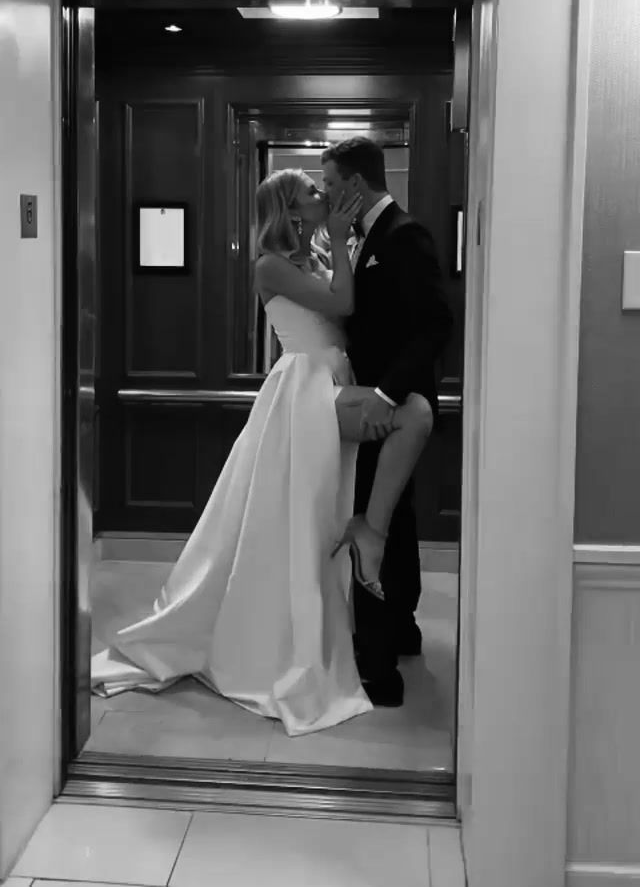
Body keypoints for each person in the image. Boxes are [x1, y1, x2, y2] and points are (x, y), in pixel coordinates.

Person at [91, 167, 433, 735]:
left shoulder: (313, 255)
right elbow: (343, 306)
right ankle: (365, 535)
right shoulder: (270, 264)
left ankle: (366, 533)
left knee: (317, 504)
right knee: (409, 418)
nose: (324, 197)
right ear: (289, 209)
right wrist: (345, 243)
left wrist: (341, 243)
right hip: (303, 390)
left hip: (329, 379)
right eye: (312, 194)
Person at [322, 138, 453, 708]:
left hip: (391, 408)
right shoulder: (360, 239)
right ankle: (400, 632)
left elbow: (433, 326)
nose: (327, 194)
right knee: (394, 515)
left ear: (353, 184)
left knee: (377, 522)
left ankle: (378, 668)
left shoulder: (404, 234)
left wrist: (384, 393)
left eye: (330, 184)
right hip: (373, 403)